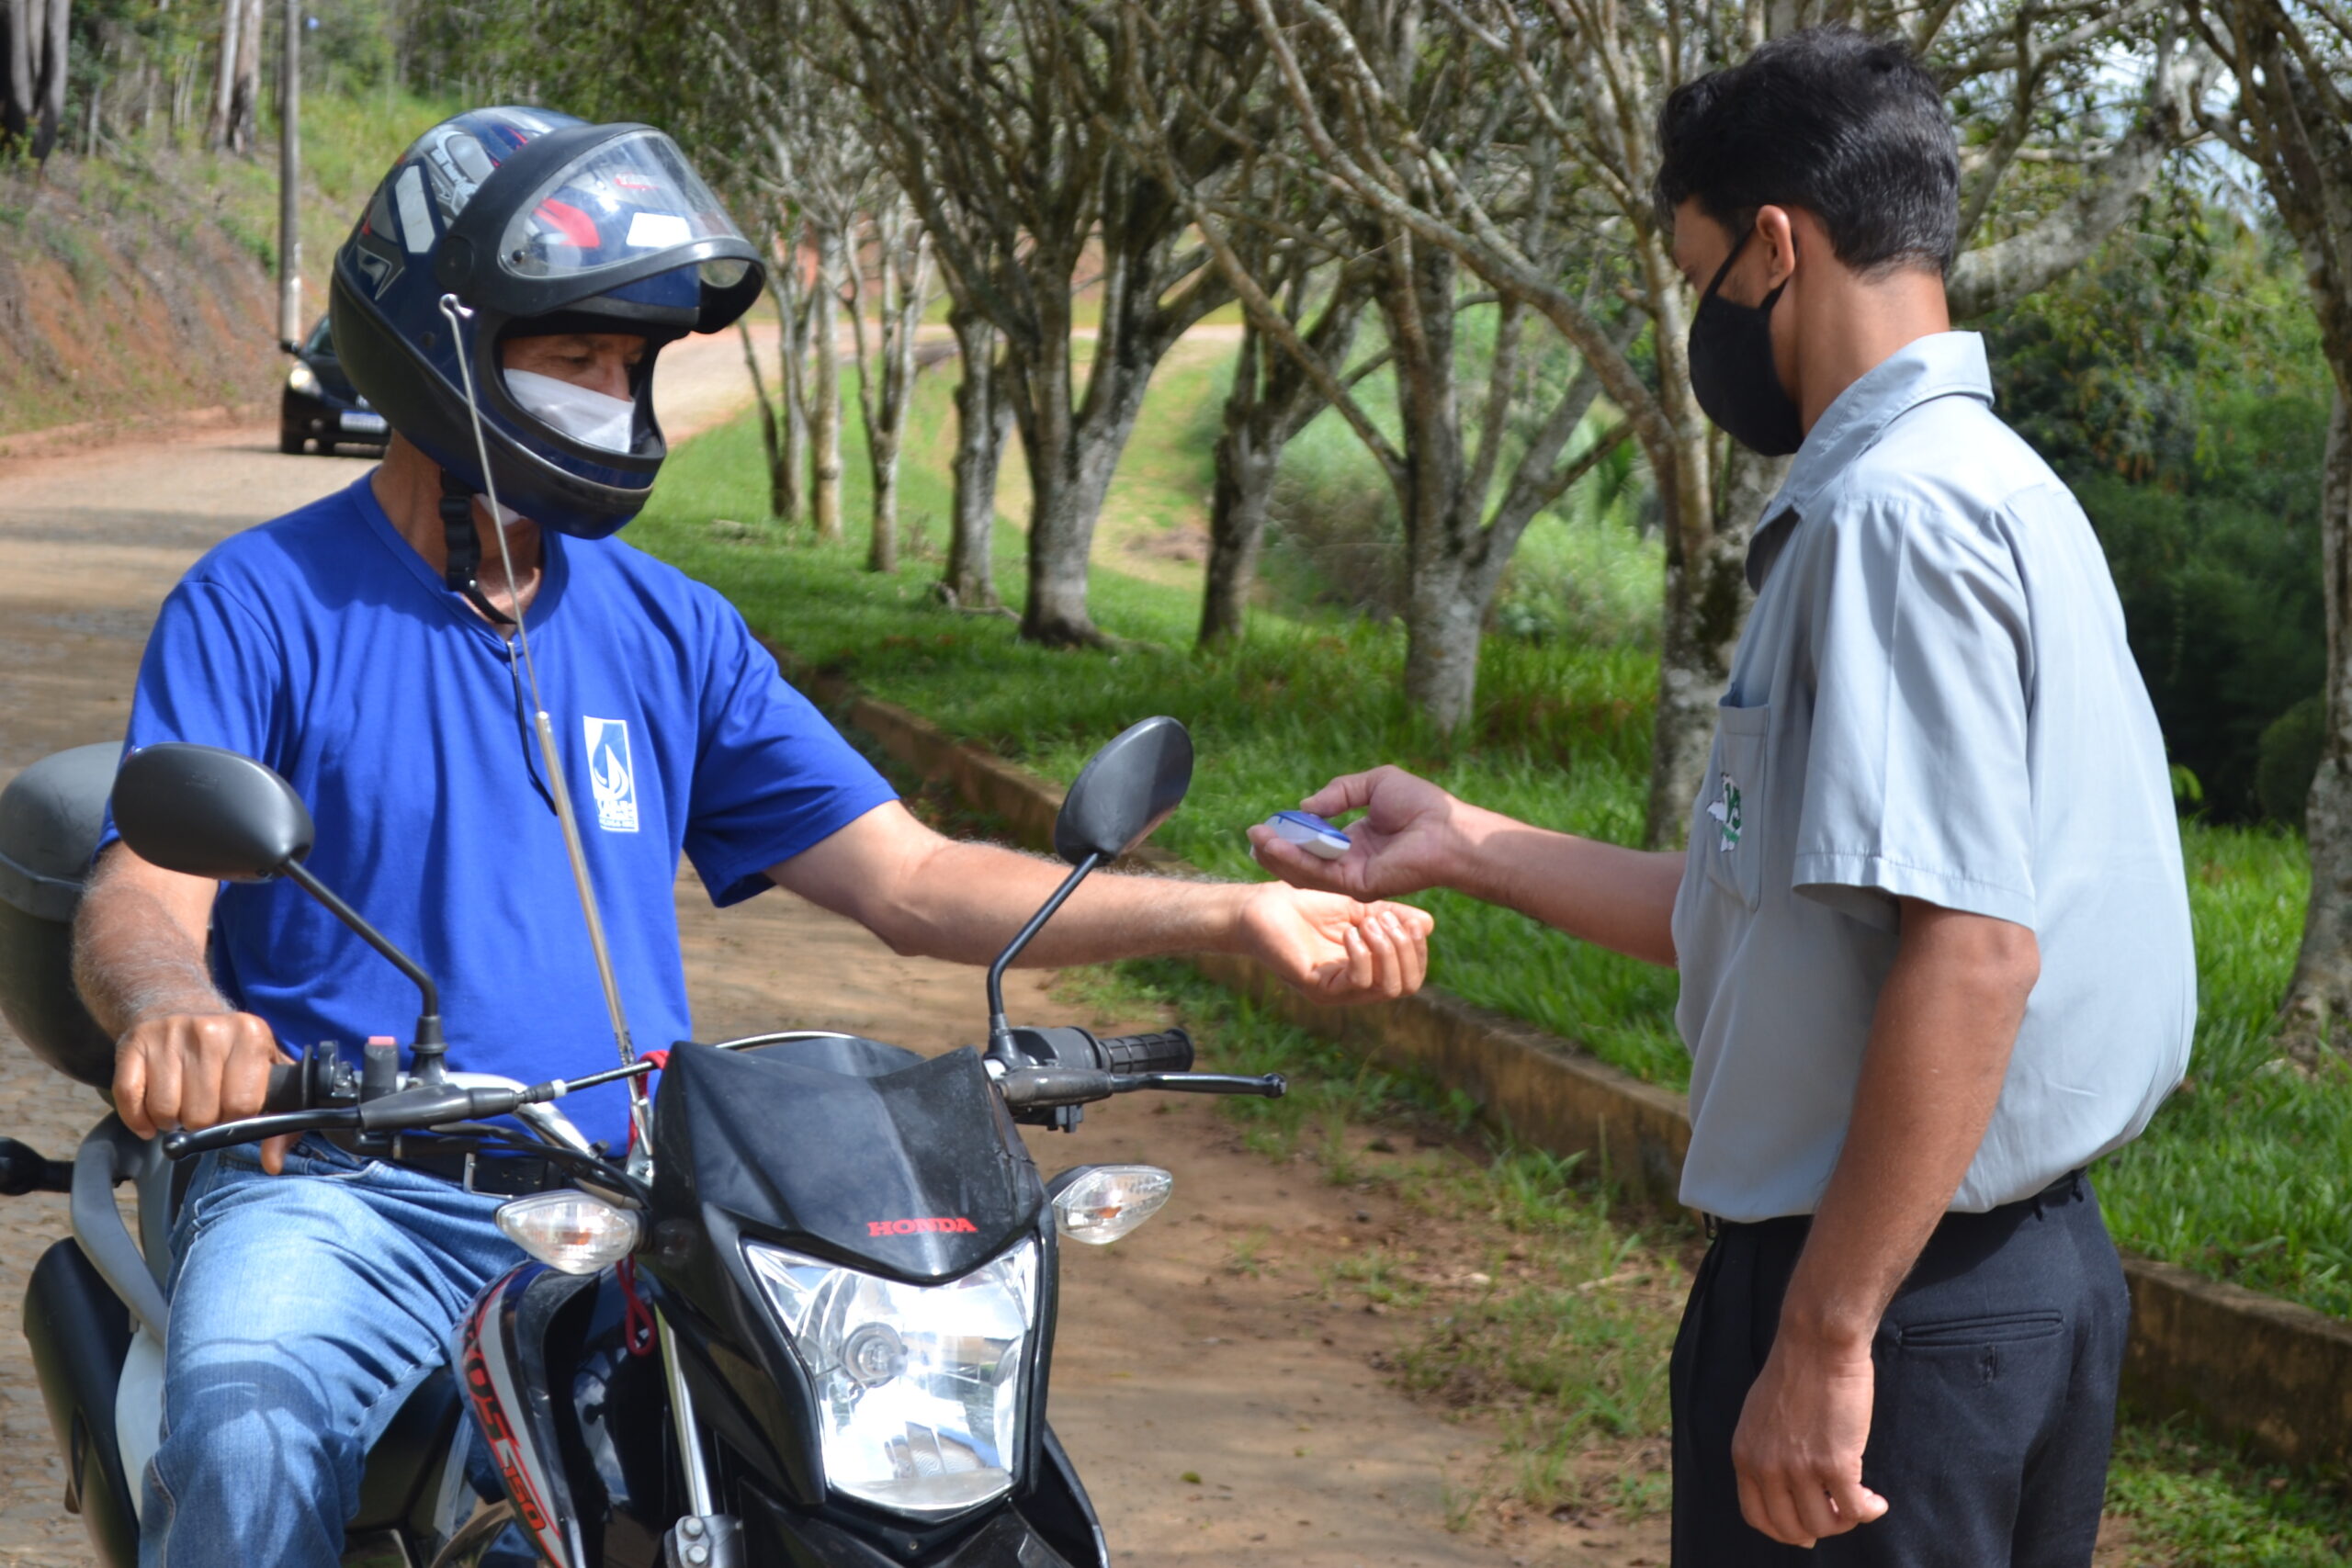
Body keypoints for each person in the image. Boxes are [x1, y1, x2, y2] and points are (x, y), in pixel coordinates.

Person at [72, 107, 1434, 1565]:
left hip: (627, 1208)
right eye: (570, 357)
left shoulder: (671, 630)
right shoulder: (262, 601)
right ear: (440, 346)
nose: (610, 394)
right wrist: (177, 1012)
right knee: (246, 1430)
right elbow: (144, 891)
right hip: (348, 1195)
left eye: (628, 365)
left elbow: (911, 879)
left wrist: (1227, 915)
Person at [1249, 28, 2191, 1568]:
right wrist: (1467, 844)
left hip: (1899, 1298)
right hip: (1998, 1278)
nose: (1703, 324)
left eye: (1700, 276)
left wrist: (1824, 1338)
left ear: (1775, 244)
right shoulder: (2002, 490)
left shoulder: (1890, 521)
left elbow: (1976, 955)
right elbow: (1777, 923)